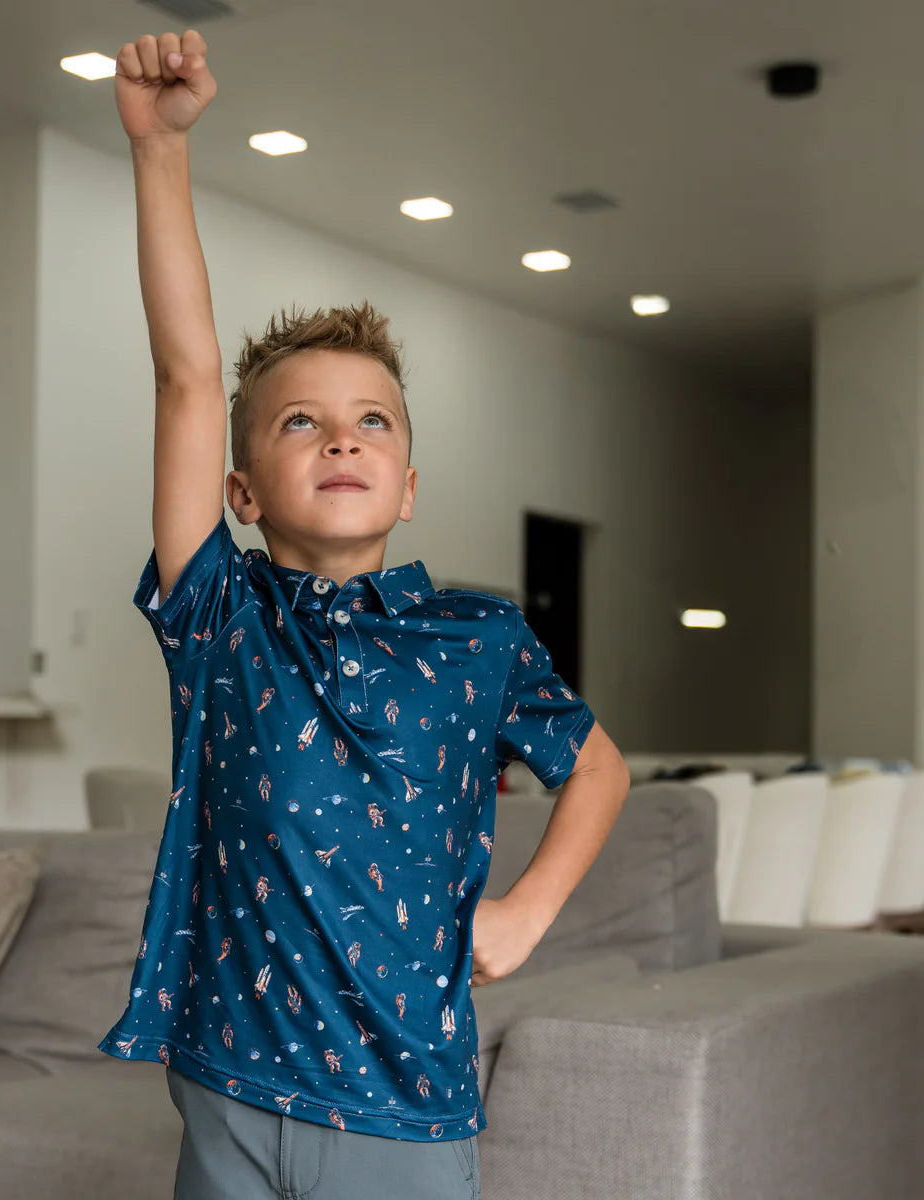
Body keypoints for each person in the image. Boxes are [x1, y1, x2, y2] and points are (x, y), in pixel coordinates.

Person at [98, 28, 632, 1200]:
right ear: (241, 493)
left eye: (372, 422)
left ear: (409, 485)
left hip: (406, 1112)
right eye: (299, 422)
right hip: (229, 1089)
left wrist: (524, 915)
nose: (341, 437)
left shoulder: (481, 639)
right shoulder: (223, 618)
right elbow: (187, 376)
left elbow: (599, 769)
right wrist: (160, 151)